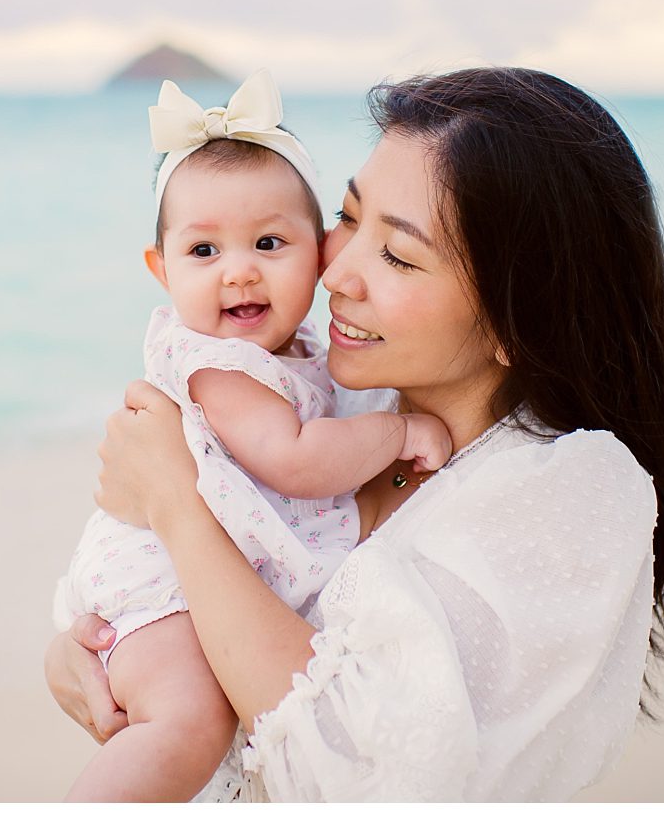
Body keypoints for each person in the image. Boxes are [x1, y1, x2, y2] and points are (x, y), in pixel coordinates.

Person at [46, 67, 664, 801]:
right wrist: (96, 647)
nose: (337, 273)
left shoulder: (568, 496)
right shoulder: (343, 404)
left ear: (524, 322)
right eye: (348, 219)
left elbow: (357, 763)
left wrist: (177, 504)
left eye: (397, 253)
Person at [55, 70, 452, 801]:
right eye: (203, 252)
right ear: (161, 268)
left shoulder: (294, 349)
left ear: (318, 254)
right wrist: (397, 429)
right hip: (162, 580)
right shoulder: (218, 364)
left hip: (194, 561)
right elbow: (294, 459)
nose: (238, 271)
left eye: (269, 242)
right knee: (187, 724)